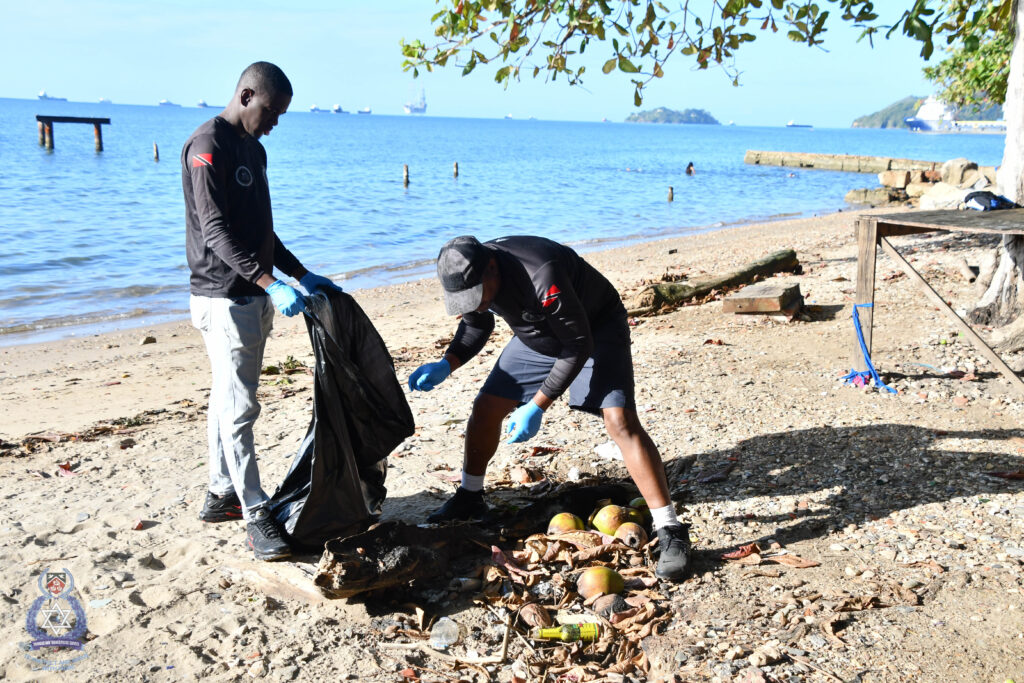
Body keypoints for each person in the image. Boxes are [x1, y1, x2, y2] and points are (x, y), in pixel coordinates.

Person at [407, 236, 692, 581]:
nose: (475, 304)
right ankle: (470, 495)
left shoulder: (541, 273)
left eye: (477, 294)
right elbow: (477, 323)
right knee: (486, 407)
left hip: (595, 328)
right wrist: (446, 363)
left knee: (620, 422)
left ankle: (670, 529)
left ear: (492, 268)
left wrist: (538, 404)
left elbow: (577, 344)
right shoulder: (473, 275)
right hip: (537, 338)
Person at [182, 62, 341, 561]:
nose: (274, 123)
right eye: (271, 112)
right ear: (247, 95)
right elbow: (215, 231)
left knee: (227, 397)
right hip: (223, 296)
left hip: (253, 293)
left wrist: (299, 274)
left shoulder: (255, 149)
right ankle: (255, 514)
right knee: (240, 407)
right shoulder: (206, 145)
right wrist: (270, 282)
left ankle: (220, 491)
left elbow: (259, 232)